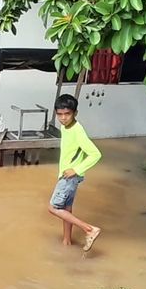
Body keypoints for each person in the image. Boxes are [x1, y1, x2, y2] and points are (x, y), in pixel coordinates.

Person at [48, 94, 102, 254]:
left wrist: (76, 170)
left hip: (69, 176)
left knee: (53, 207)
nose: (63, 118)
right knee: (67, 209)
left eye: (67, 114)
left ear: (75, 113)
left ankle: (89, 229)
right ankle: (67, 241)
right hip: (67, 175)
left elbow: (95, 154)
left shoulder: (78, 131)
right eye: (59, 114)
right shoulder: (65, 127)